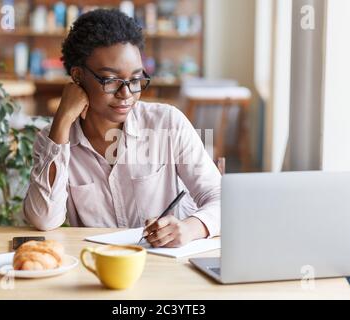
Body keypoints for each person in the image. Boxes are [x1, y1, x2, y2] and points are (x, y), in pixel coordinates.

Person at [23, 9, 220, 248]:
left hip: (167, 266)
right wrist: (63, 119)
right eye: (111, 80)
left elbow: (221, 197)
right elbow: (43, 219)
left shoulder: (167, 124)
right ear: (77, 77)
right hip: (100, 268)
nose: (126, 94)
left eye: (135, 80)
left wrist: (190, 228)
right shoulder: (53, 139)